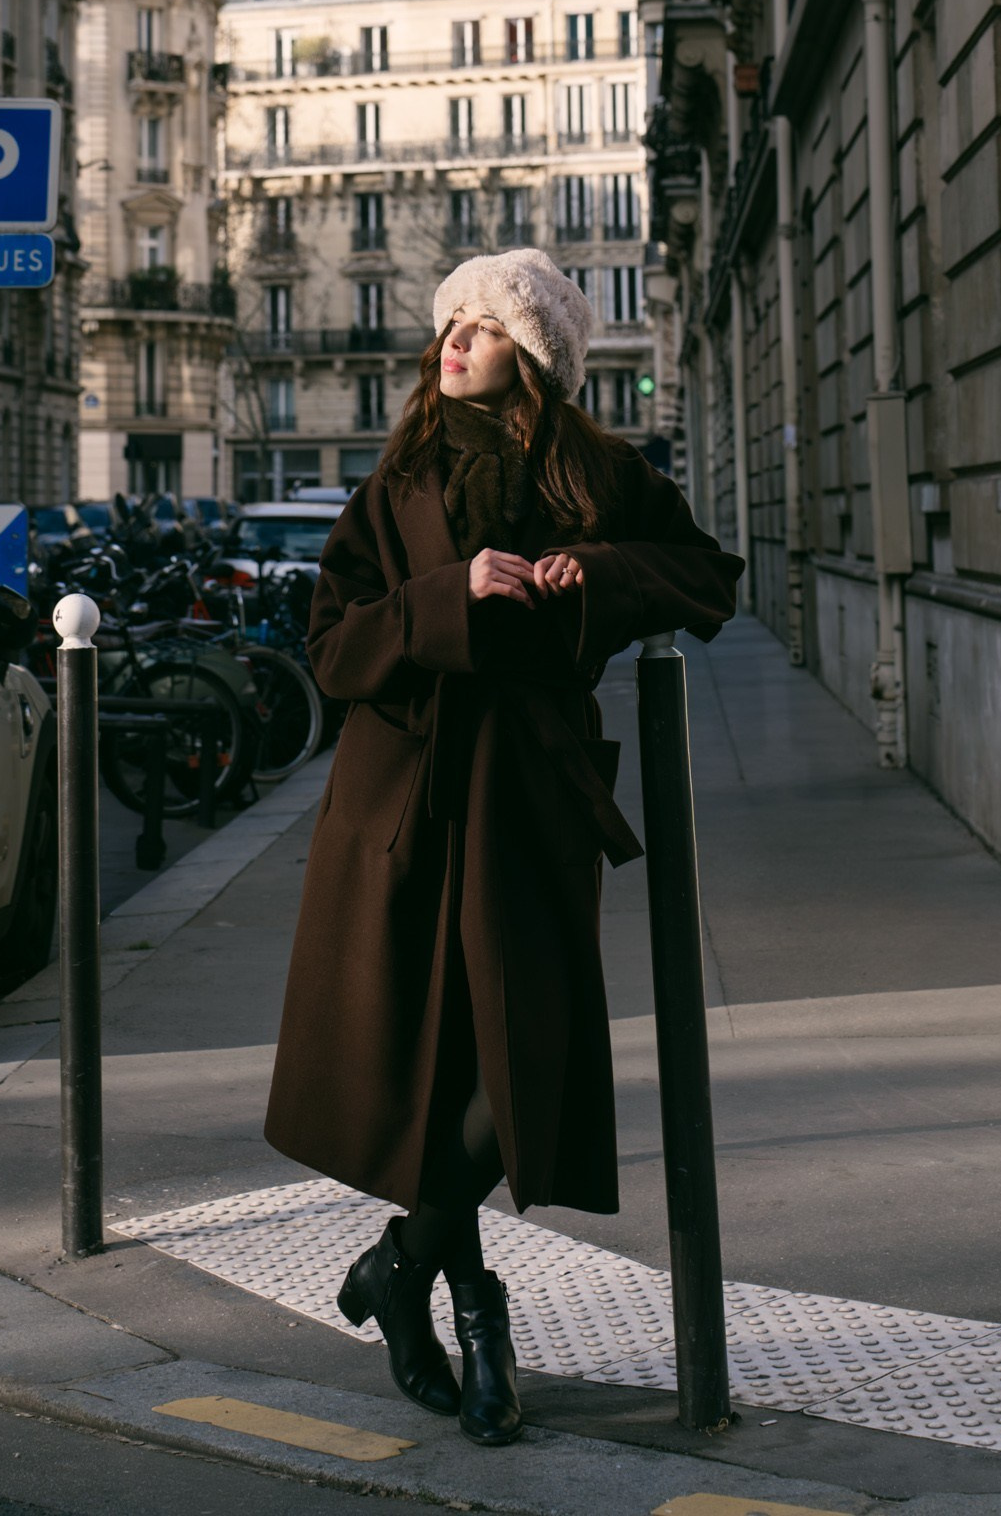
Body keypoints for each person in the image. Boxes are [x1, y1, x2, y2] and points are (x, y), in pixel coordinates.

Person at [264, 250, 742, 1447]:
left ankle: (400, 1266)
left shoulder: (601, 470)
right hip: (402, 798)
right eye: (451, 321)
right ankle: (475, 1311)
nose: (455, 337)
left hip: (527, 791)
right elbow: (331, 647)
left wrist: (603, 571)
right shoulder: (396, 481)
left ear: (531, 356)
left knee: (511, 1057)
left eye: (482, 323)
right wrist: (447, 597)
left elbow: (705, 578)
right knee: (423, 1063)